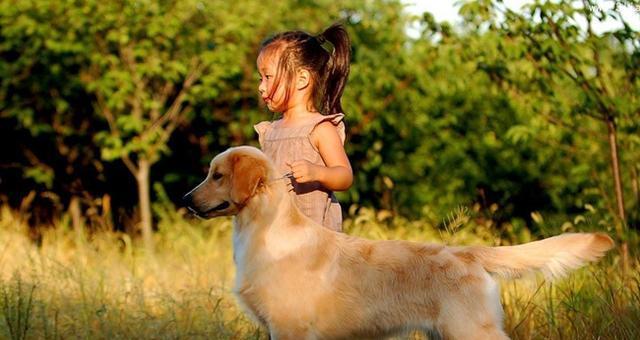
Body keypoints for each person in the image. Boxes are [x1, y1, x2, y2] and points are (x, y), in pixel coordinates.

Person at [254, 23, 353, 231]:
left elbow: (345, 176)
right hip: (276, 234)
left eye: (268, 77)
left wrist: (317, 172)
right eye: (260, 78)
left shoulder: (319, 128)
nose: (261, 87)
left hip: (315, 241)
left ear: (301, 79)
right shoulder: (270, 131)